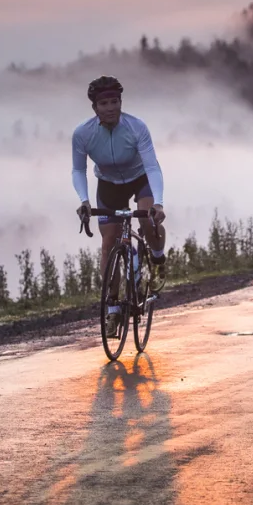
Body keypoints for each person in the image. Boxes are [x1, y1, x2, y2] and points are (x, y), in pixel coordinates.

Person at [72, 76, 166, 331]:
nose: (110, 107)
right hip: (109, 185)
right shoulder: (83, 133)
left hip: (140, 179)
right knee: (108, 243)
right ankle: (113, 307)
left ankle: (157, 259)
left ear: (121, 103)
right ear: (95, 108)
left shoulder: (136, 127)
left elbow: (152, 166)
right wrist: (84, 201)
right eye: (104, 103)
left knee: (147, 219)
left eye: (115, 102)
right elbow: (78, 171)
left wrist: (157, 203)